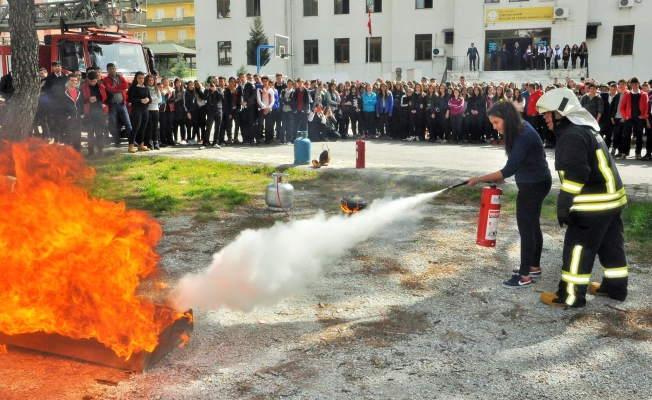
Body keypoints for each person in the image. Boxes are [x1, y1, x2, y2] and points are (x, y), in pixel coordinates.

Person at [542, 90, 630, 308]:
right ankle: (615, 288)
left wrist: (564, 205)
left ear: (561, 113)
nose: (544, 118)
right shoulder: (586, 129)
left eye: (548, 113)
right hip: (612, 201)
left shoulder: (571, 136)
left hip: (592, 206)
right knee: (612, 246)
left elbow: (576, 175)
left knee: (578, 249)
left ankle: (570, 296)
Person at [465, 101, 551, 288]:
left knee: (527, 230)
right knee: (533, 226)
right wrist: (499, 177)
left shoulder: (524, 135)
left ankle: (524, 276)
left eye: (496, 122)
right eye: (492, 123)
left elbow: (509, 169)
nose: (495, 127)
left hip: (533, 186)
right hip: (536, 183)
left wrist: (478, 179)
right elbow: (518, 163)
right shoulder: (520, 129)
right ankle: (533, 267)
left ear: (507, 118)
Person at [102, 62, 132, 147]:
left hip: (122, 104)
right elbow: (109, 89)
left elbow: (125, 85)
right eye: (110, 69)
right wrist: (119, 88)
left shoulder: (120, 77)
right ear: (107, 70)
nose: (112, 70)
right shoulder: (106, 79)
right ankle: (117, 141)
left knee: (128, 123)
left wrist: (116, 87)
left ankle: (132, 141)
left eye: (113, 68)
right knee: (113, 123)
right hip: (112, 104)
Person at [619, 77, 649, 160]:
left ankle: (638, 153)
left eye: (636, 84)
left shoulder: (644, 94)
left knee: (639, 136)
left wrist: (643, 116)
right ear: (630, 85)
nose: (635, 86)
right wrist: (625, 116)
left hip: (639, 118)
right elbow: (621, 107)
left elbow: (646, 106)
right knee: (626, 135)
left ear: (639, 84)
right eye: (633, 84)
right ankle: (625, 152)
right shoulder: (627, 94)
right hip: (629, 118)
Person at [81, 71, 108, 158]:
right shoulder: (84, 87)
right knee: (90, 134)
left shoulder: (102, 87)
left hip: (100, 113)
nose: (92, 83)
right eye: (91, 81)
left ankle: (100, 151)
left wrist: (104, 103)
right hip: (89, 114)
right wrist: (88, 100)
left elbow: (109, 97)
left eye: (94, 81)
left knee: (100, 133)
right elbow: (81, 101)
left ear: (97, 79)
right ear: (88, 80)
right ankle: (90, 153)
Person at [126, 71, 151, 153]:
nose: (141, 80)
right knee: (136, 127)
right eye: (139, 78)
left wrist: (147, 100)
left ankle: (141, 144)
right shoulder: (133, 88)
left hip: (145, 109)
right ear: (136, 78)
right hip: (137, 109)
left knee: (143, 127)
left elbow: (150, 99)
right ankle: (131, 145)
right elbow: (130, 99)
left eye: (142, 78)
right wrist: (141, 100)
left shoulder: (146, 87)